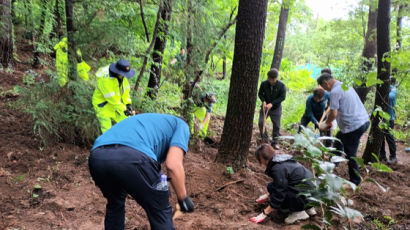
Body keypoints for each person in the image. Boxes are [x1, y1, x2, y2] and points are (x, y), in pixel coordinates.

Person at [88, 113, 195, 230]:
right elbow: (173, 164)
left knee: (115, 204)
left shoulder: (151, 121)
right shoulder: (182, 125)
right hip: (132, 157)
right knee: (160, 210)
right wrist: (183, 198)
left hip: (97, 157)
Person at [318, 73, 369, 185]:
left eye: (324, 87)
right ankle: (332, 165)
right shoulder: (345, 85)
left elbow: (333, 113)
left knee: (350, 153)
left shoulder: (335, 92)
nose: (325, 90)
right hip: (363, 121)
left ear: (326, 83)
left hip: (353, 126)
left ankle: (355, 181)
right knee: (338, 139)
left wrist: (325, 123)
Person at [250, 144, 316, 225]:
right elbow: (281, 184)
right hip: (313, 194)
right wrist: (267, 195)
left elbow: (279, 193)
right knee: (271, 186)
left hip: (304, 195)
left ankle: (298, 213)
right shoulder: (282, 159)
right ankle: (309, 208)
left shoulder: (278, 168)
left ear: (262, 159)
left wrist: (264, 214)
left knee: (279, 193)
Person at [92, 59, 135, 133]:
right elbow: (112, 99)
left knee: (127, 122)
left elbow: (126, 92)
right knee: (107, 130)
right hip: (102, 105)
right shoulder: (105, 80)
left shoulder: (122, 78)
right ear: (118, 72)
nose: (125, 76)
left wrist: (128, 104)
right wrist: (124, 109)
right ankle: (106, 144)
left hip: (116, 104)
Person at [258, 68, 286, 149]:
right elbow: (260, 94)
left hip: (276, 108)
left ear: (276, 78)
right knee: (261, 122)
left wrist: (272, 104)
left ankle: (275, 142)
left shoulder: (282, 86)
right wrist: (263, 101)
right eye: (268, 78)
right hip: (265, 107)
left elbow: (282, 97)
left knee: (276, 126)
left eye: (271, 79)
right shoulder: (264, 84)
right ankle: (265, 139)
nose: (270, 80)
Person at [381, 78, 397, 164]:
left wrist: (382, 94)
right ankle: (382, 156)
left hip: (389, 118)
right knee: (380, 137)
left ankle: (393, 156)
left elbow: (390, 97)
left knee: (389, 136)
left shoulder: (393, 89)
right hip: (380, 117)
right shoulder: (380, 88)